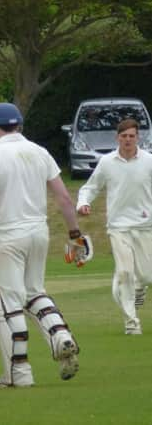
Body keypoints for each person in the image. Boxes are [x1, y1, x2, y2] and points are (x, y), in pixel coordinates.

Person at [0, 103, 92, 387]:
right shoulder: (40, 152)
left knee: (10, 303)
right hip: (39, 233)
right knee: (35, 293)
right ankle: (61, 336)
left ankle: (18, 374)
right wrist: (74, 234)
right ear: (18, 125)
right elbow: (64, 199)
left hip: (8, 236)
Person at [77, 118, 152, 335]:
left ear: (138, 138)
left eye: (131, 136)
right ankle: (131, 322)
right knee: (126, 272)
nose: (127, 140)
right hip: (118, 227)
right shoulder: (107, 162)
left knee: (146, 276)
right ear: (117, 137)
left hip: (146, 225)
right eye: (124, 136)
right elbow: (90, 188)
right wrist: (83, 203)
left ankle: (136, 285)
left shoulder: (148, 161)